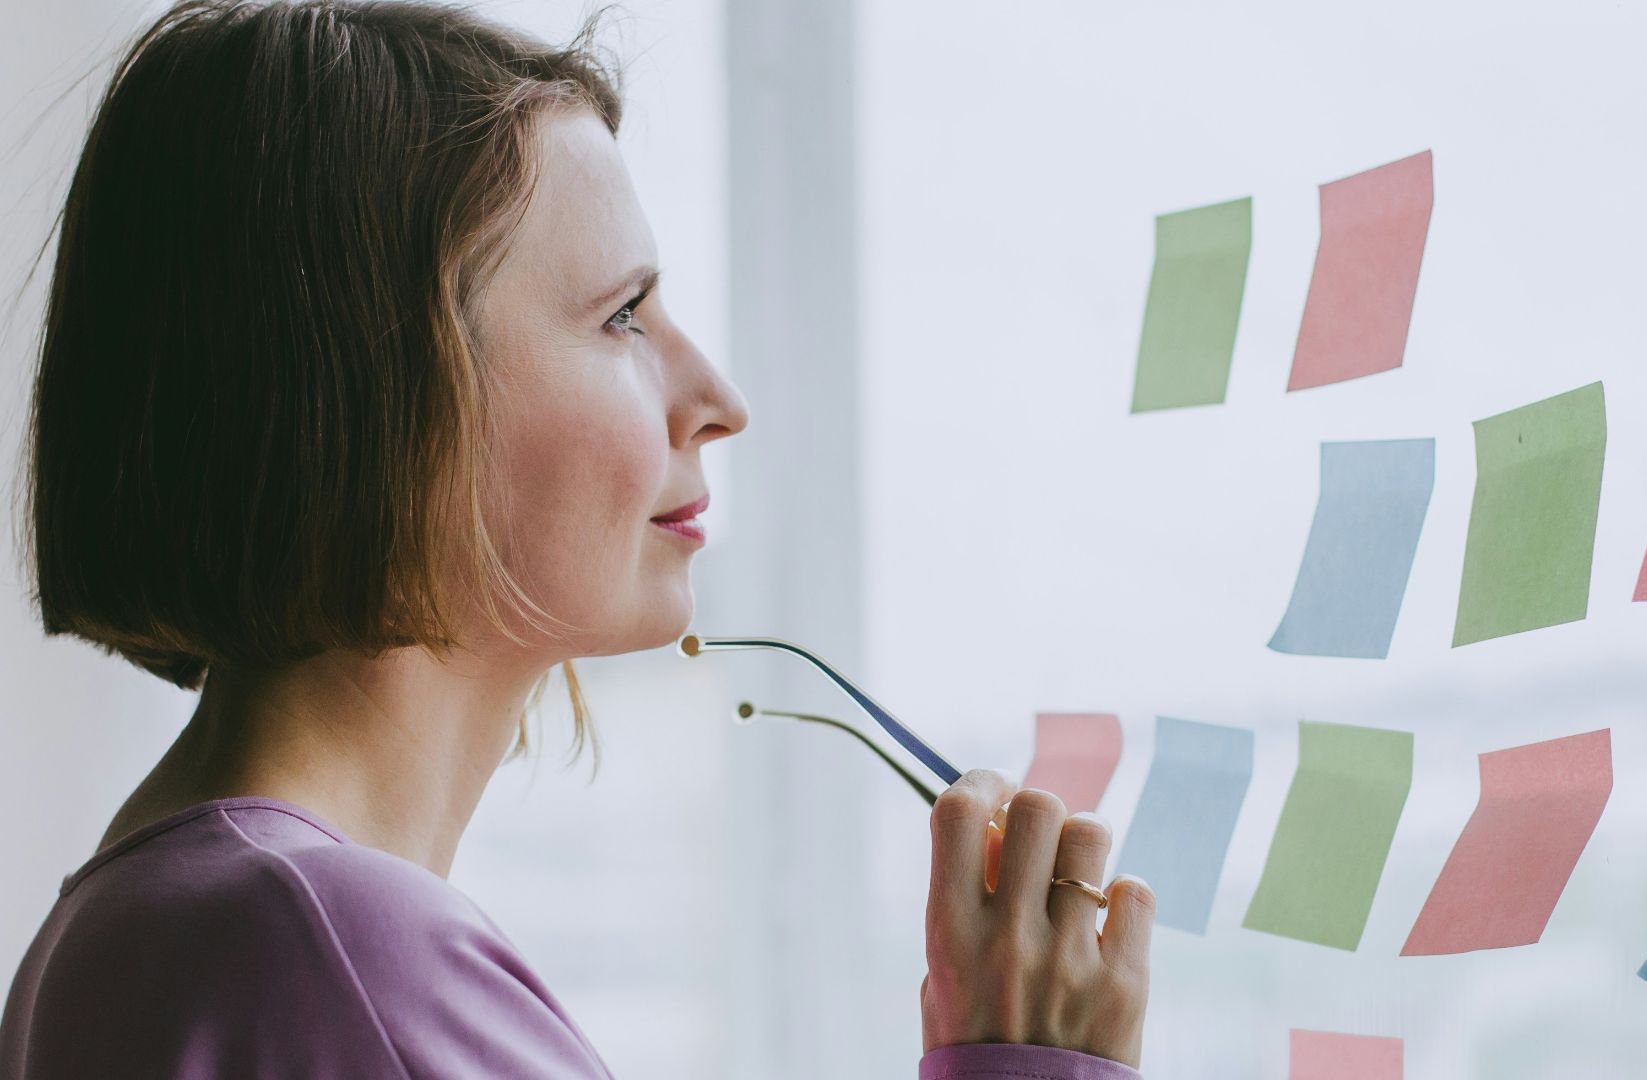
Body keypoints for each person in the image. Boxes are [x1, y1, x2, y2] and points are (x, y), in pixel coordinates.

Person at [0, 1, 1157, 1077]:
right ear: (378, 401)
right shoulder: (327, 944)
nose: (716, 396)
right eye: (621, 316)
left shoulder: (130, 927)